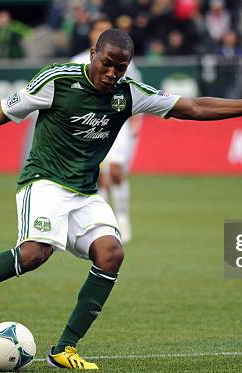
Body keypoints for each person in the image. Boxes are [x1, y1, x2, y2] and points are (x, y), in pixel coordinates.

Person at [0, 29, 242, 368]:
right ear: (93, 54)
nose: (112, 74)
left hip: (85, 191)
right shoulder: (57, 80)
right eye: (107, 64)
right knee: (34, 253)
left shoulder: (128, 92)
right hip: (45, 181)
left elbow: (192, 106)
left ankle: (65, 348)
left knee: (111, 253)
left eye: (120, 68)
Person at [71, 15, 140, 243]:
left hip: (118, 125)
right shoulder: (77, 61)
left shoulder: (124, 60)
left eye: (105, 29)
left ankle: (123, 216)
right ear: (91, 35)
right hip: (91, 124)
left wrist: (136, 119)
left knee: (117, 172)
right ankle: (104, 221)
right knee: (100, 175)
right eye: (97, 29)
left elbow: (136, 92)